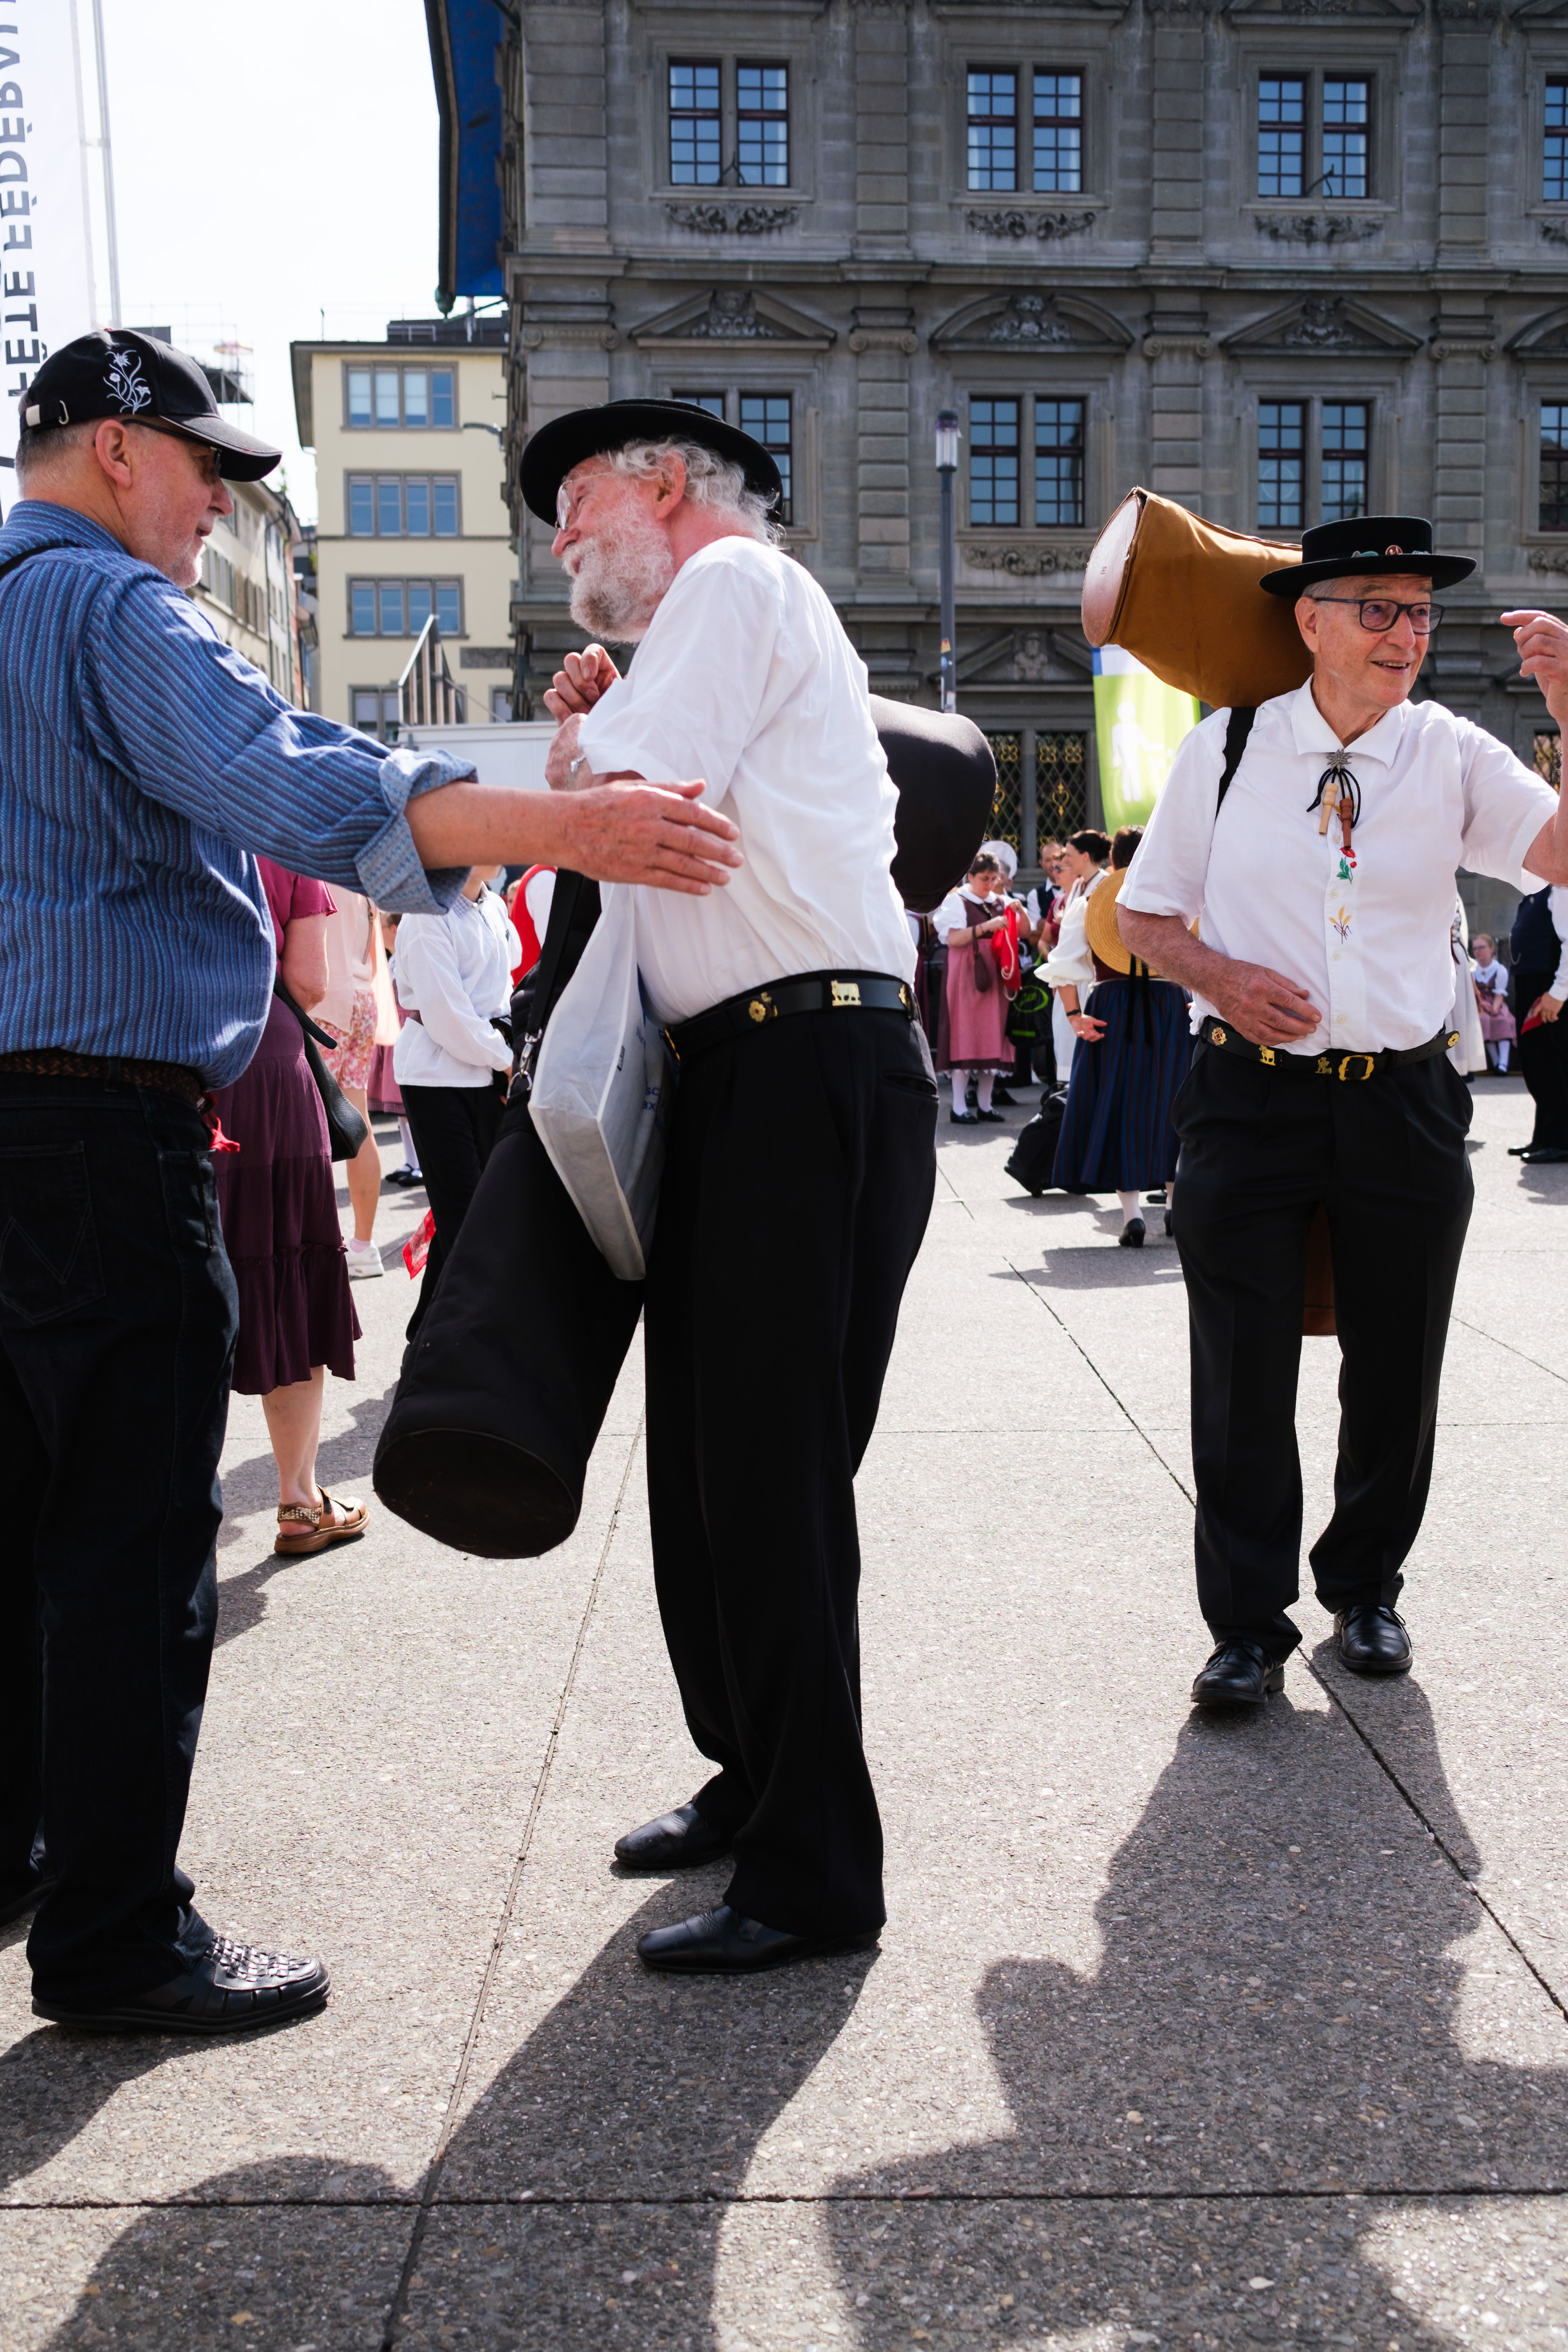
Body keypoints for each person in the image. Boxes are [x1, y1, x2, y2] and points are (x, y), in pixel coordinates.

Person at [0, 332, 741, 2035]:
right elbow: (290, 777)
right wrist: (564, 829)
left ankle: (26, 1839)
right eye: (208, 472)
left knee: (14, 1519)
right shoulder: (113, 610)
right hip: (96, 1129)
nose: (218, 510)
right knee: (123, 1539)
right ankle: (115, 1936)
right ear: (118, 450)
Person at [529, 395, 935, 1973]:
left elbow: (627, 802)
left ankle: (816, 1872)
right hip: (748, 1071)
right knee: (711, 1475)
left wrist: (592, 743)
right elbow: (634, 806)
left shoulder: (740, 583)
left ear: (667, 485)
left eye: (574, 503)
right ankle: (753, 1778)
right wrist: (605, 745)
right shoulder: (712, 621)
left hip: (802, 1067)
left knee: (765, 1480)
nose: (559, 540)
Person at [1116, 514, 1568, 1709]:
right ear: (1307, 620)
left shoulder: (1451, 752)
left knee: (1396, 1363)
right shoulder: (1224, 749)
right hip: (1247, 1104)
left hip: (1402, 1100)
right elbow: (1145, 919)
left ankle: (1364, 1589)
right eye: (1376, 607)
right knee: (1241, 1370)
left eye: (1418, 612)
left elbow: (1560, 856)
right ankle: (1245, 1628)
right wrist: (1219, 978)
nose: (1404, 633)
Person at [209, 860, 368, 1555]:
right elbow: (309, 982)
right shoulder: (278, 840)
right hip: (269, 1065)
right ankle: (300, 1503)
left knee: (185, 1283)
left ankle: (175, 1503)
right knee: (291, 1279)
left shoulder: (168, 814)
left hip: (180, 1064)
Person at [394, 864, 520, 1334]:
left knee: (467, 1222)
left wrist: (505, 1054)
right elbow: (447, 1015)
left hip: (485, 1072)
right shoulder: (427, 913)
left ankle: (426, 1338)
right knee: (467, 1222)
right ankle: (449, 1350)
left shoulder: (493, 905)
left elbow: (504, 987)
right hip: (436, 1077)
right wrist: (505, 1059)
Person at [1051, 825, 1188, 1245]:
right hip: (1169, 1007)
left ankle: (1132, 1214)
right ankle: (1172, 1206)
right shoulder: (1177, 899)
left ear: (1113, 861)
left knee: (1120, 1102)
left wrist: (1075, 1016)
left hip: (1111, 1006)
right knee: (1174, 1103)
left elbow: (1062, 965)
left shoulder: (1094, 901)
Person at [317, 888, 399, 1278]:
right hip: (363, 996)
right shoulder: (356, 869)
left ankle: (319, 1245)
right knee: (358, 1118)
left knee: (312, 1124)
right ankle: (364, 1247)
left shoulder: (310, 856)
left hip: (323, 1000)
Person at [932, 853, 1012, 1121]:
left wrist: (1018, 915)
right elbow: (954, 939)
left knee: (992, 1034)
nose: (989, 884)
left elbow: (1023, 932)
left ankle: (986, 1105)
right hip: (967, 972)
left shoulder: (1000, 902)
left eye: (994, 879)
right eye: (984, 879)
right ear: (970, 877)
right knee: (965, 1034)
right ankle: (958, 1107)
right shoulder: (957, 900)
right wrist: (986, 926)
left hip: (995, 973)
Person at [1039, 829, 1111, 1088]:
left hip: (1090, 975)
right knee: (1063, 1032)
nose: (1064, 861)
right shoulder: (1078, 886)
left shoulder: (1105, 884)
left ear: (1085, 856)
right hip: (1070, 975)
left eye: (1069, 855)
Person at [1509, 885, 1568, 1162]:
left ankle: (1559, 1141)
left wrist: (1558, 994)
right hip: (1532, 983)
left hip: (1548, 987)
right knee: (1537, 1065)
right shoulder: (1540, 889)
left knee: (1552, 1065)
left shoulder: (1562, 887)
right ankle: (1543, 1138)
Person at [1468, 932, 1515, 1075]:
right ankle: (1496, 1061)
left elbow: (1499, 994)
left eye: (1481, 947)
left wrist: (1495, 1008)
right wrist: (1482, 1004)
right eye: (1475, 948)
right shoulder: (1472, 970)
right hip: (1477, 1003)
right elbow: (1471, 991)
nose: (1478, 951)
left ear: (1491, 949)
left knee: (1501, 1019)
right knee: (1484, 1020)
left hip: (1495, 1002)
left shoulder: (1499, 969)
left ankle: (1503, 1063)